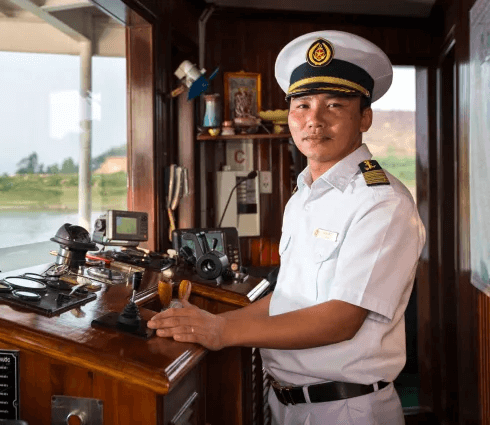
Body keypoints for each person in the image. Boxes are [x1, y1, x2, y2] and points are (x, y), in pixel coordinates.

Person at [147, 30, 426, 425]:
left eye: (334, 105)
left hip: (346, 410)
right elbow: (288, 300)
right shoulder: (305, 197)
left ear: (364, 117)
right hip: (288, 404)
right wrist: (206, 323)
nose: (314, 119)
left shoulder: (382, 202)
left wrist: (222, 333)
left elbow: (340, 319)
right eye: (302, 104)